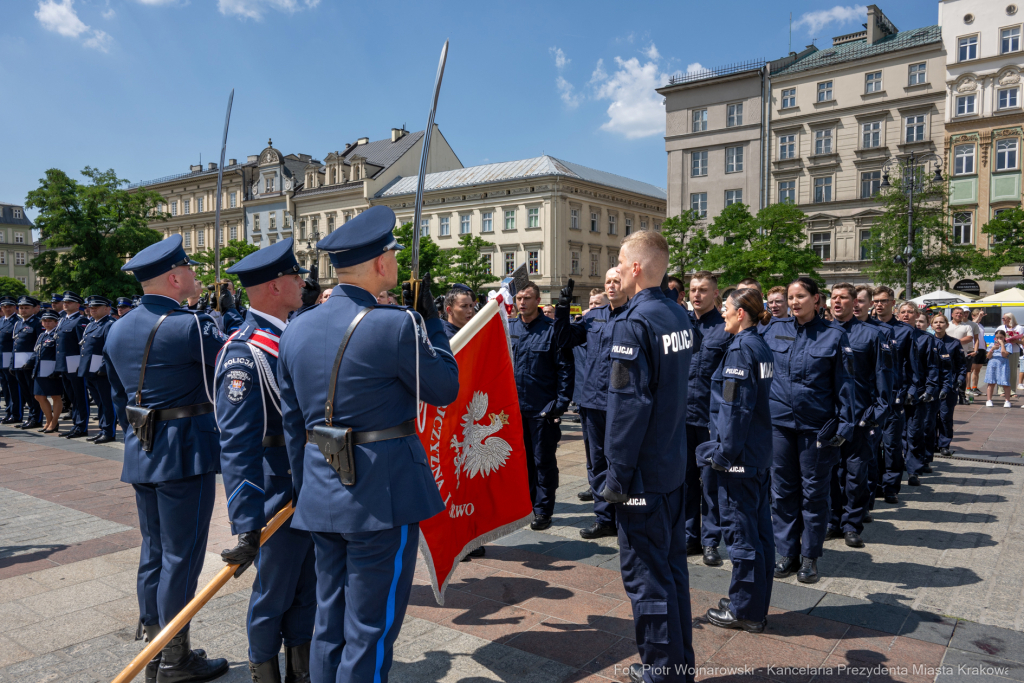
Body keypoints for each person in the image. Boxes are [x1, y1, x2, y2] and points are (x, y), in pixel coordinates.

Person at [277, 205, 458, 683]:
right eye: (394, 256)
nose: (396, 264)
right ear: (381, 263)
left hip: (320, 489)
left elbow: (294, 424)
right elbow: (444, 388)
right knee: (371, 627)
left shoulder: (295, 328)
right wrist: (431, 319)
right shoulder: (396, 323)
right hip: (383, 494)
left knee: (329, 623)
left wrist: (308, 488)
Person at [105, 235, 230, 683]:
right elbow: (225, 376)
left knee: (155, 550)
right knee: (183, 555)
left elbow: (117, 395)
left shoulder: (116, 327)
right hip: (185, 450)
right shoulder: (192, 325)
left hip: (144, 446)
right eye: (190, 270)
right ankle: (175, 657)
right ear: (174, 277)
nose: (195, 276)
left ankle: (154, 646)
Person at [214, 238, 317, 683]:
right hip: (277, 491)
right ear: (275, 286)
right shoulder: (246, 352)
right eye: (295, 276)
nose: (303, 282)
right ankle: (264, 670)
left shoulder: (292, 334)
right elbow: (237, 445)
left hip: (310, 484)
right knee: (274, 589)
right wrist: (246, 521)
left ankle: (301, 668)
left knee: (307, 586)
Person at [598, 231, 694, 683]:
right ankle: (679, 665)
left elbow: (627, 407)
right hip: (672, 465)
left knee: (646, 577)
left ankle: (661, 669)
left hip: (642, 477)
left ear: (636, 268)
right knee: (672, 570)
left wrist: (616, 475)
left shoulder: (634, 322)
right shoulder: (676, 314)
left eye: (620, 260)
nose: (615, 268)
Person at [762, 277, 854, 584]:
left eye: (800, 296)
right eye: (790, 297)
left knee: (814, 493)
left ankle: (810, 557)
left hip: (817, 427)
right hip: (780, 425)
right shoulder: (774, 330)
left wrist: (845, 424)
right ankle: (786, 552)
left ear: (817, 300)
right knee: (782, 491)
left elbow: (845, 384)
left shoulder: (833, 335)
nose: (793, 302)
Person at [696, 288, 775, 633]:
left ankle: (746, 611)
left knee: (742, 535)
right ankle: (751, 601)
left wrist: (722, 456)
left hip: (739, 458)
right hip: (755, 454)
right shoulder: (758, 344)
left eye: (726, 308)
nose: (723, 313)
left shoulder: (742, 350)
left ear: (741, 313)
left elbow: (734, 409)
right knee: (759, 534)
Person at [554, 268, 629, 540]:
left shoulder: (635, 316)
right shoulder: (594, 316)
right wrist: (562, 309)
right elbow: (564, 340)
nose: (611, 285)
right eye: (608, 281)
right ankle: (604, 518)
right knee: (596, 462)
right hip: (592, 400)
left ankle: (625, 519)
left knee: (620, 461)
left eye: (616, 281)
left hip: (622, 403)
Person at [826, 284, 889, 548]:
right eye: (833, 297)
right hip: (829, 417)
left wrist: (875, 413)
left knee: (855, 474)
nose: (837, 301)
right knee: (829, 472)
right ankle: (832, 519)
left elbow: (884, 378)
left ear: (855, 303)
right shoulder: (820, 333)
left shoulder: (872, 335)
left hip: (860, 416)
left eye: (843, 298)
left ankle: (852, 524)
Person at [510, 281, 573, 530]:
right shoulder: (509, 328)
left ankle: (543, 510)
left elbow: (565, 368)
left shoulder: (551, 329)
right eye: (519, 298)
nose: (522, 302)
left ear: (538, 301)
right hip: (514, 409)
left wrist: (560, 403)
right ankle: (526, 505)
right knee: (520, 461)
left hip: (541, 408)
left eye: (527, 298)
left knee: (542, 460)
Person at [684, 271, 730, 566]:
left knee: (711, 484)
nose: (696, 295)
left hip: (712, 419)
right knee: (685, 481)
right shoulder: (680, 327)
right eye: (692, 290)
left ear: (716, 294)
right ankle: (689, 536)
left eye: (703, 290)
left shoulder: (726, 330)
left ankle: (710, 541)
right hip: (683, 416)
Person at [871, 287, 916, 504]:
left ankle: (890, 487)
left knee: (891, 445)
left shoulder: (905, 331)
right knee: (871, 445)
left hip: (895, 395)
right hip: (872, 396)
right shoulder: (867, 327)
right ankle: (874, 485)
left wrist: (909, 391)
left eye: (883, 301)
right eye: (876, 301)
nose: (878, 304)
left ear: (892, 304)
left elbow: (912, 366)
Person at [898, 303, 939, 486]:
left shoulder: (925, 339)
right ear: (898, 315)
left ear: (916, 316)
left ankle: (913, 471)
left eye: (910, 312)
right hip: (895, 391)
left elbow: (932, 366)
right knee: (893, 436)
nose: (906, 315)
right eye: (903, 312)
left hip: (918, 391)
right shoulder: (891, 335)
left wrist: (930, 389)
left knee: (914, 432)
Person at [80, 296, 117, 444]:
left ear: (107, 308)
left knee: (107, 402)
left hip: (101, 371)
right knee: (100, 402)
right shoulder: (91, 324)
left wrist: (103, 368)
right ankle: (103, 429)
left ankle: (109, 431)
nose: (92, 309)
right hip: (89, 369)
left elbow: (110, 349)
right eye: (91, 306)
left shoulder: (109, 324)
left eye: (97, 306)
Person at [932, 314, 966, 456]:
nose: (938, 325)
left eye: (941, 322)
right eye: (935, 322)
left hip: (949, 384)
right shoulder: (928, 341)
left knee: (945, 416)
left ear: (947, 325)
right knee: (931, 417)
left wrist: (959, 379)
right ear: (931, 325)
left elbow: (961, 365)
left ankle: (944, 444)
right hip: (932, 384)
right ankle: (932, 443)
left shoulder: (954, 343)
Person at [11, 296, 44, 429]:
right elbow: (15, 344)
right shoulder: (18, 323)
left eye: (26, 308)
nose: (23, 310)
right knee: (25, 392)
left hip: (30, 363)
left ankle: (36, 418)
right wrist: (12, 363)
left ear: (33, 309)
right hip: (19, 362)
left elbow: (39, 344)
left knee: (33, 392)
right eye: (21, 308)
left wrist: (31, 361)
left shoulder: (37, 322)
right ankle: (31, 417)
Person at [32, 309, 64, 433]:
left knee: (55, 396)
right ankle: (48, 420)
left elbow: (59, 353)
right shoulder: (42, 335)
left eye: (50, 321)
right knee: (38, 396)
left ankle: (54, 422)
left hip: (52, 370)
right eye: (44, 321)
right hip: (40, 369)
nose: (47, 323)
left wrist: (58, 369)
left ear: (56, 322)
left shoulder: (57, 334)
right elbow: (36, 352)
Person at [0, 296, 20, 424]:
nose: (7, 309)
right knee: (5, 387)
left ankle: (16, 413)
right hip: (1, 358)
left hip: (10, 358)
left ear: (14, 307)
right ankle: (8, 411)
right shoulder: (1, 320)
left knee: (13, 386)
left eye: (9, 306)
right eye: (4, 307)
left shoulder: (17, 322)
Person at [996, 313, 1024, 396]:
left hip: (1014, 350)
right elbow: (996, 339)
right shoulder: (1000, 328)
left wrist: (1015, 341)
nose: (1003, 320)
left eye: (1004, 318)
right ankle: (1001, 390)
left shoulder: (1019, 328)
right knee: (1001, 370)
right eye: (1003, 318)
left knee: (1012, 371)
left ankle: (1012, 390)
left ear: (1010, 319)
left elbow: (1022, 341)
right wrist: (1003, 341)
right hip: (1002, 350)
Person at [985, 330, 1013, 407]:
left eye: (1001, 337)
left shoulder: (1008, 345)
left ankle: (1007, 401)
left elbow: (1004, 354)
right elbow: (988, 357)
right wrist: (992, 349)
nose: (999, 339)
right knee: (991, 382)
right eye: (997, 337)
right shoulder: (991, 345)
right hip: (992, 364)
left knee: (1005, 383)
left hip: (1003, 365)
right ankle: (989, 400)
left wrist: (1002, 345)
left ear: (1004, 337)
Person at [969, 308, 988, 395]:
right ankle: (968, 388)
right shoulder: (971, 324)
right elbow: (974, 323)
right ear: (973, 316)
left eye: (981, 316)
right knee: (970, 369)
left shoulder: (981, 325)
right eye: (978, 315)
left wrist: (985, 348)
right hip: (973, 348)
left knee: (977, 370)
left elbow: (982, 337)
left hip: (981, 349)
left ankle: (975, 387)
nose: (980, 317)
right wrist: (979, 316)